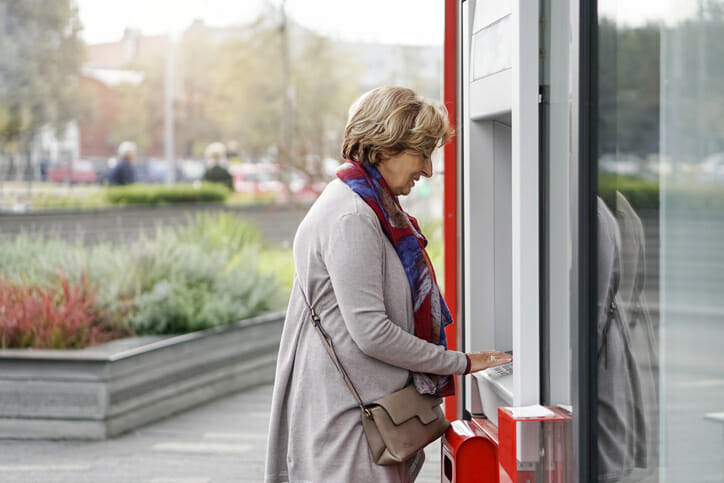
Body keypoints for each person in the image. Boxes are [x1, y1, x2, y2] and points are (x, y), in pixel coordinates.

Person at [264, 86, 512, 483]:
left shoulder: (367, 208)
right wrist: (463, 362)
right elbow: (373, 333)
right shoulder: (352, 217)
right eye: (422, 153)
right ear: (385, 147)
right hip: (348, 427)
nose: (428, 169)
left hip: (360, 421)